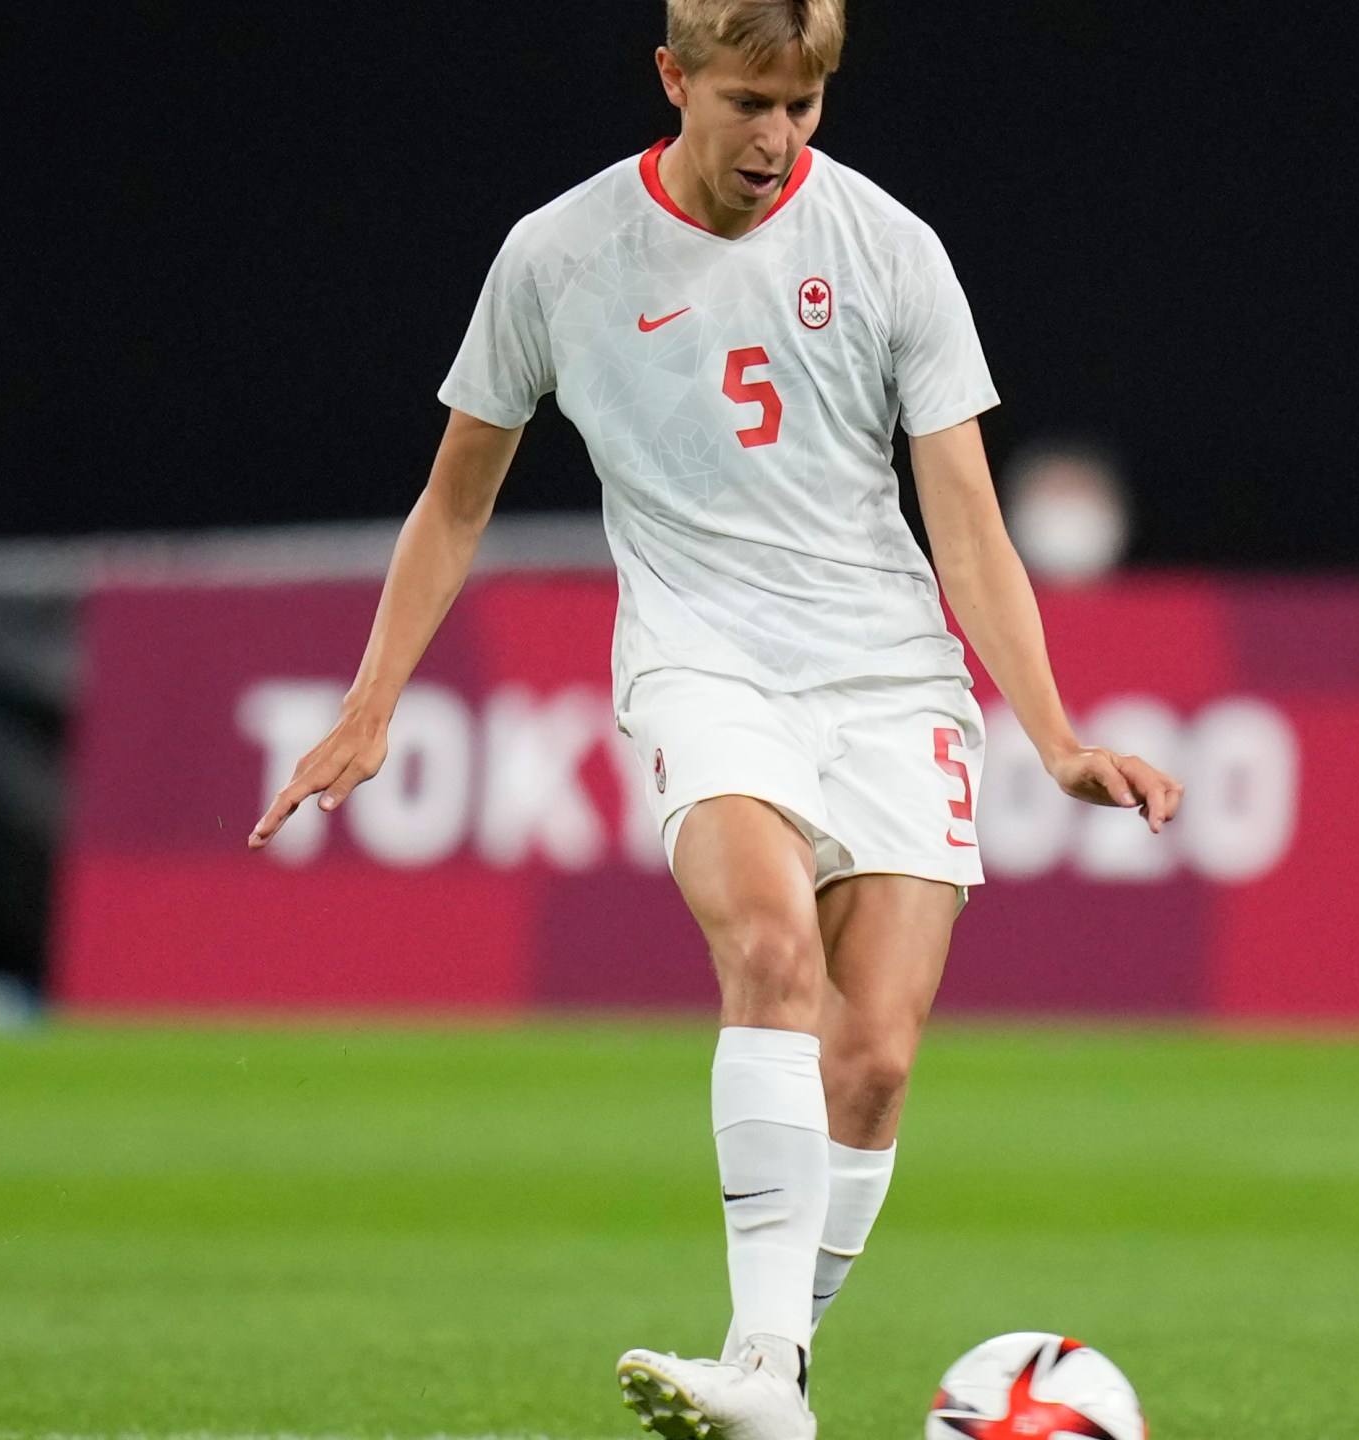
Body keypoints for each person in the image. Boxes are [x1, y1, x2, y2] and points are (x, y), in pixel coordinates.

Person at [245, 4, 1182, 1437]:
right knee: (767, 942)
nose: (777, 139)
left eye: (804, 108)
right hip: (703, 660)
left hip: (887, 673)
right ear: (674, 78)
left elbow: (969, 520)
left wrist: (1053, 733)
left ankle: (766, 1372)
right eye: (749, 103)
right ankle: (768, 1374)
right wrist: (375, 702)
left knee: (871, 1060)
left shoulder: (889, 247)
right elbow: (457, 491)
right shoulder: (557, 255)